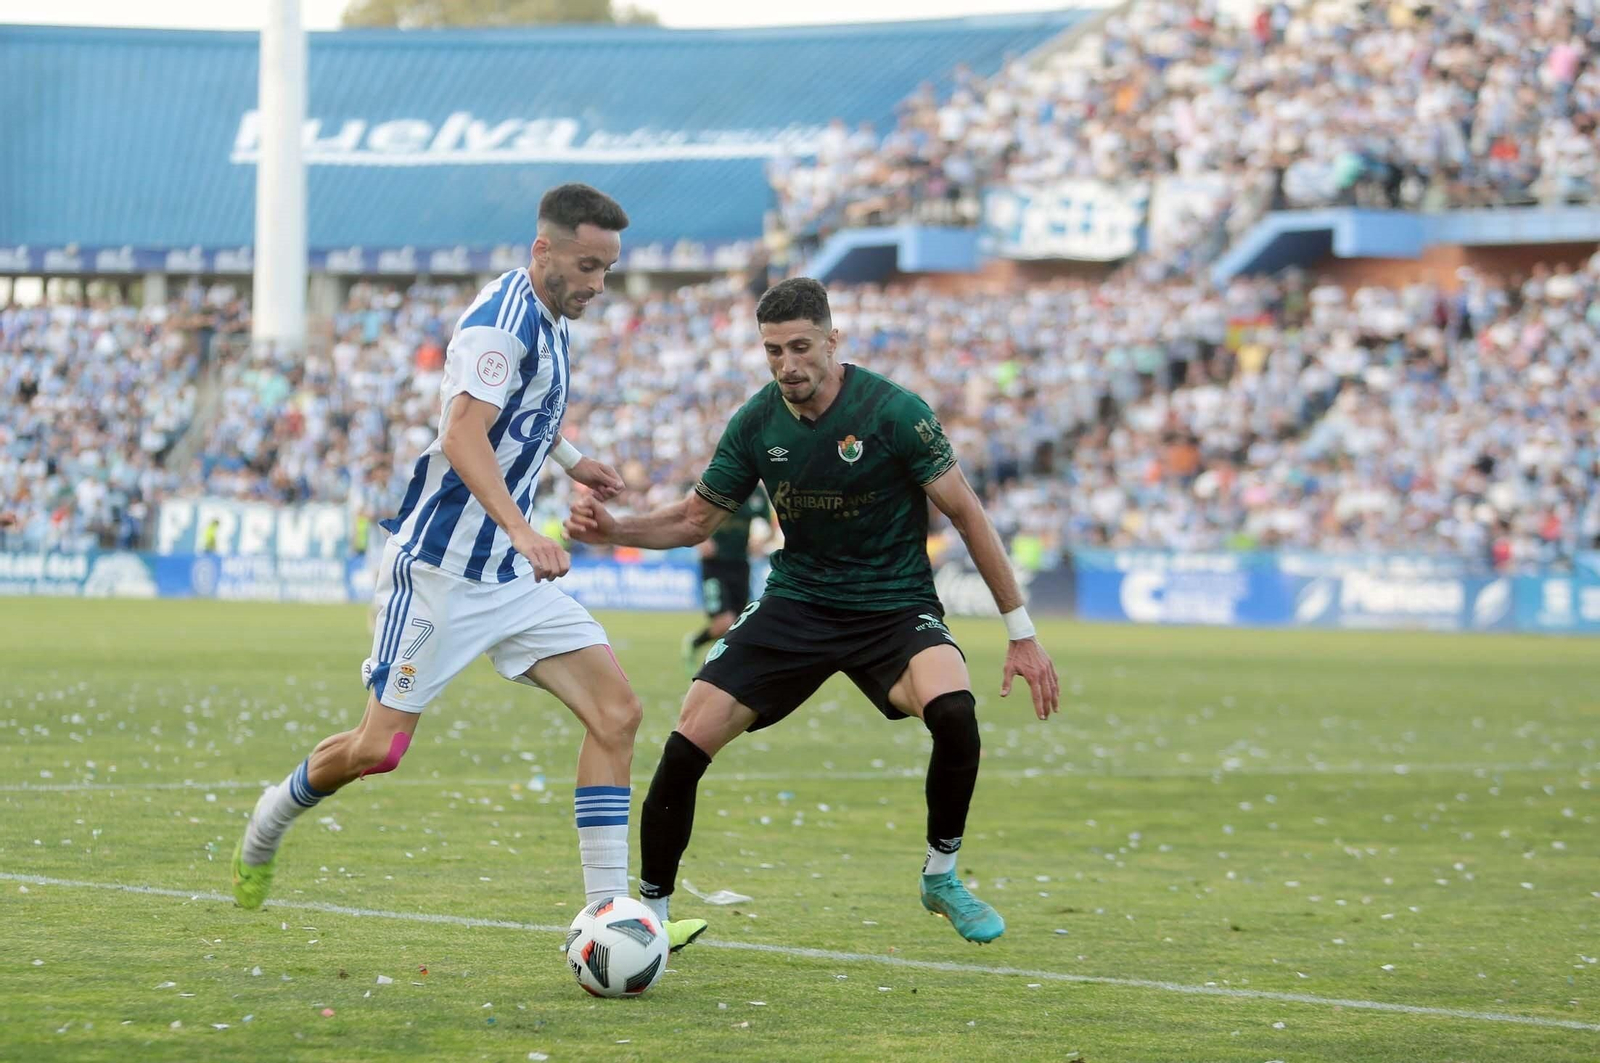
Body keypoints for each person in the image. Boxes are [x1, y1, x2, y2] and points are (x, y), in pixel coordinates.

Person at [232, 184, 706, 951]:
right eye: (588, 265)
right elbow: (462, 433)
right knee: (377, 749)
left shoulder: (552, 319)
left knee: (617, 713)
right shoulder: (501, 322)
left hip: (510, 580)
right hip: (442, 570)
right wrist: (524, 530)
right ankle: (268, 819)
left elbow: (529, 415)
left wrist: (578, 463)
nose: (598, 284)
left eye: (608, 270)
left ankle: (610, 914)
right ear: (543, 250)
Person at [566, 277, 1059, 943]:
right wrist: (613, 530)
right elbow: (694, 519)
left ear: (833, 340)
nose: (787, 364)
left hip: (894, 605)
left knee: (954, 712)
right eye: (773, 351)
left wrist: (1020, 632)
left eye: (800, 347)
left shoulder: (894, 412)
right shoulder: (756, 422)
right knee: (687, 739)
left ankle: (940, 874)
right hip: (798, 602)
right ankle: (649, 913)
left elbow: (967, 514)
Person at [682, 487, 771, 674]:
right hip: (714, 564)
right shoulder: (720, 482)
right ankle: (695, 643)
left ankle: (722, 666)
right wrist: (701, 540)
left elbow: (768, 523)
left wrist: (761, 541)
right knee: (724, 622)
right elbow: (690, 514)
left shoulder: (757, 493)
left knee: (735, 625)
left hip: (740, 564)